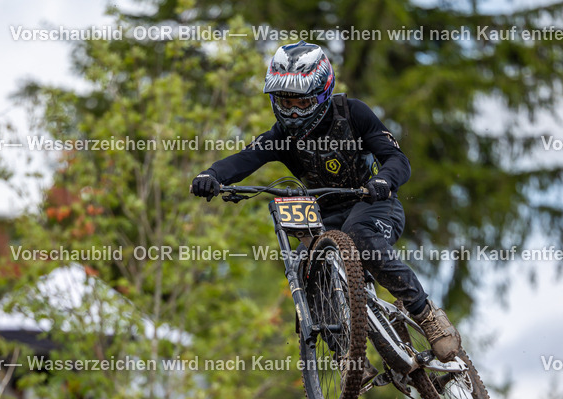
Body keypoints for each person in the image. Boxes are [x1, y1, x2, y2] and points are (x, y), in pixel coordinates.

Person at [190, 41, 461, 362]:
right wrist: (213, 175)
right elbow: (244, 159)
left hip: (374, 204)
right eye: (284, 101)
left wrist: (383, 181)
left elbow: (397, 159)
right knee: (303, 264)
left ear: (321, 93)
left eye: (300, 102)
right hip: (325, 216)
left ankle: (427, 314)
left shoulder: (353, 113)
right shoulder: (281, 136)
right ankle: (344, 360)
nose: (291, 111)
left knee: (362, 239)